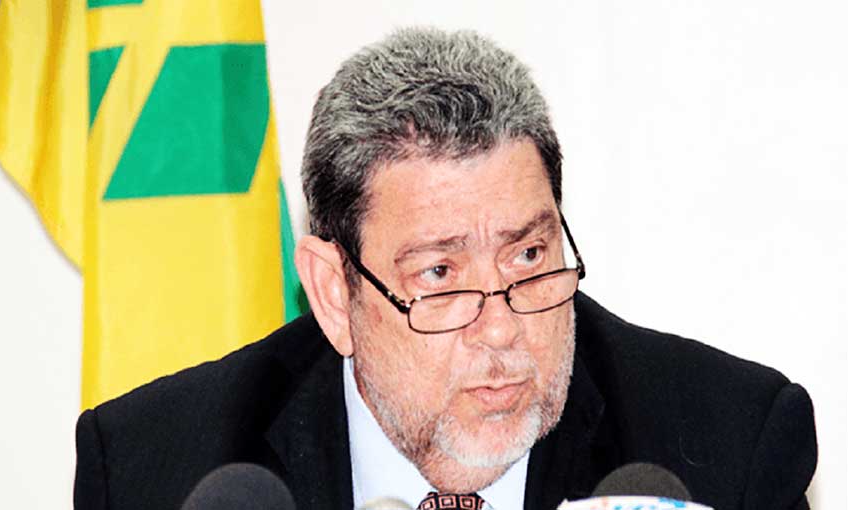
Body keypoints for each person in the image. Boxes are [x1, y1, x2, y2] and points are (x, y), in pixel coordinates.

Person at [73, 28, 817, 510]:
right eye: (439, 274)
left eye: (529, 257)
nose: (501, 328)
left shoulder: (732, 448)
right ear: (333, 293)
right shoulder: (155, 469)